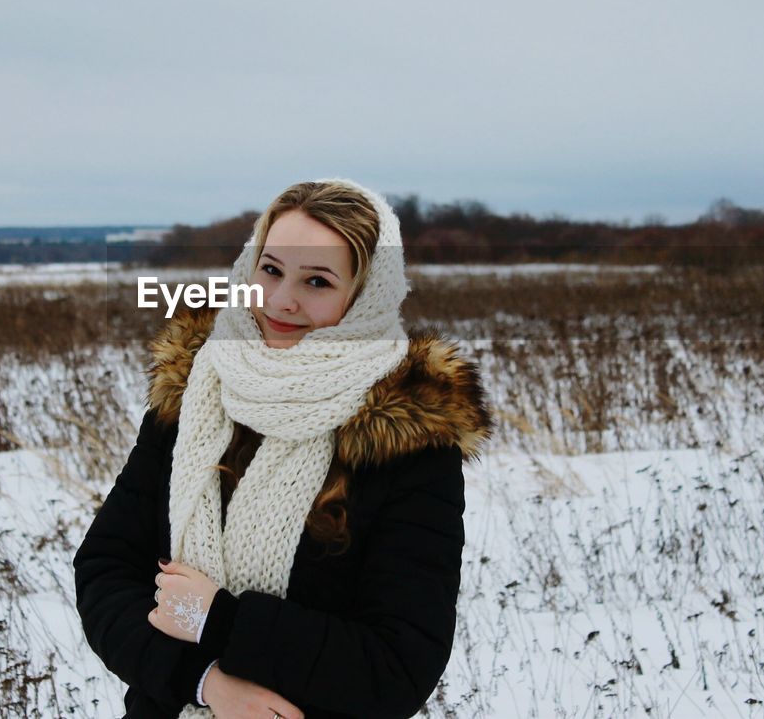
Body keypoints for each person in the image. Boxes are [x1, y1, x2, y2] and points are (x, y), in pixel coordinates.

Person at [73, 179, 492, 718]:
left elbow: (399, 666)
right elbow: (106, 569)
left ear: (365, 297)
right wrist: (204, 683)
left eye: (317, 280)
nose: (279, 300)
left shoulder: (407, 436)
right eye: (270, 269)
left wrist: (220, 621)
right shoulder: (195, 393)